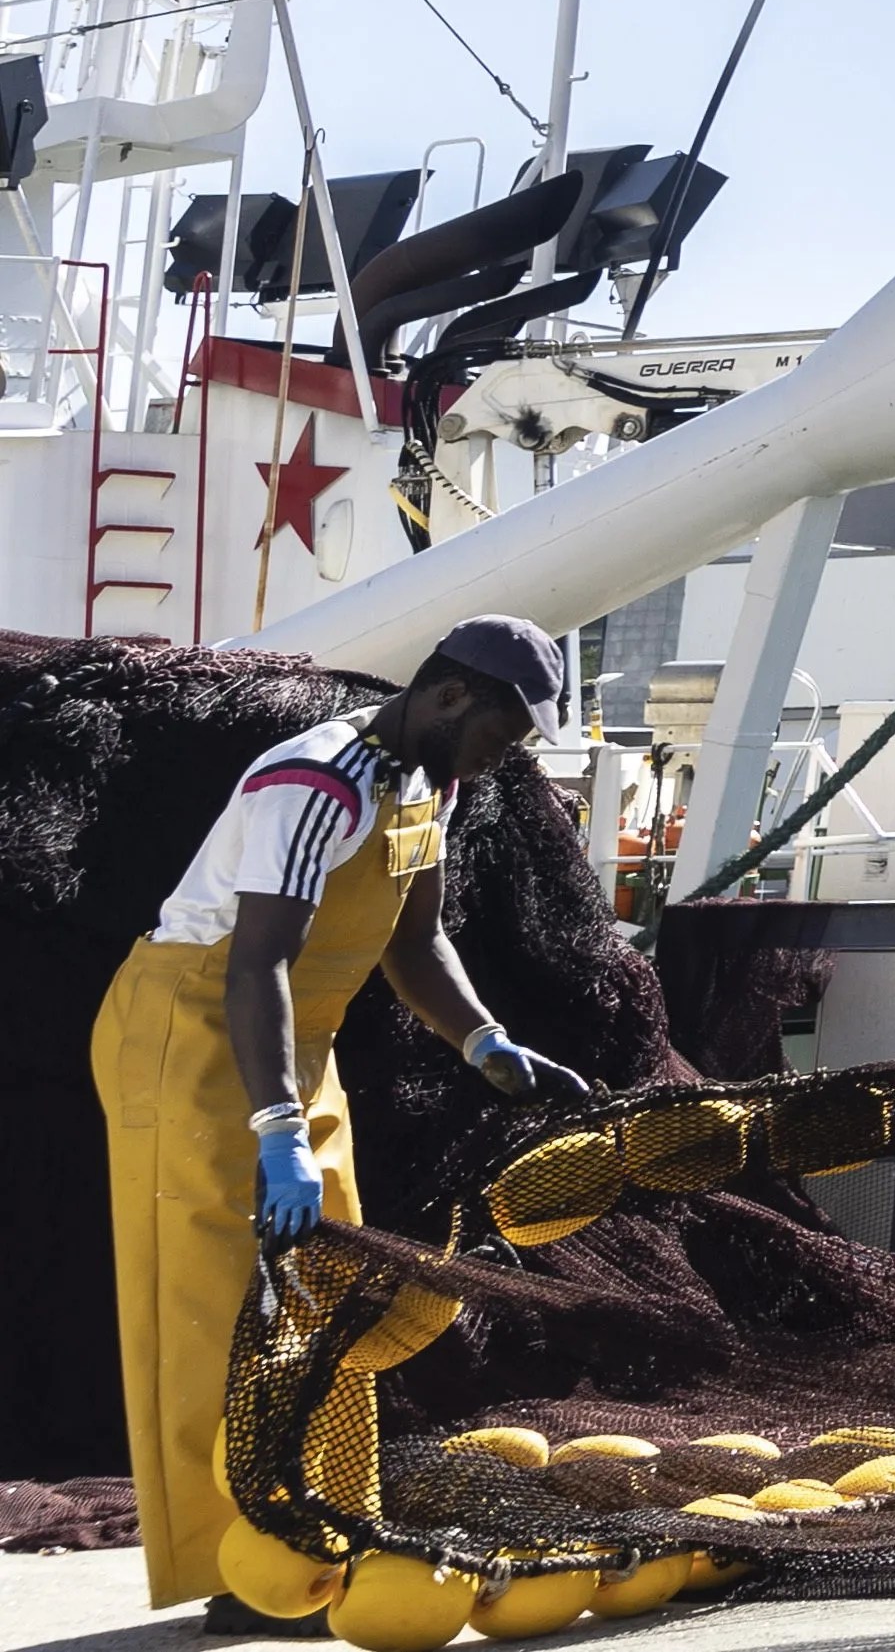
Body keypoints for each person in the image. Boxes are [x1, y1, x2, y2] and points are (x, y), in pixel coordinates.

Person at [101, 614, 574, 1618]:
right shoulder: (316, 782)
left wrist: (483, 1042)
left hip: (291, 1040)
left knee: (326, 1295)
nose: (503, 760)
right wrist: (278, 1132)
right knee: (220, 1306)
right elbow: (254, 962)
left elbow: (415, 942)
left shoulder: (431, 783)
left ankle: (326, 1525)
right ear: (450, 695)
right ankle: (247, 1566)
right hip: (190, 1028)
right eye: (504, 734)